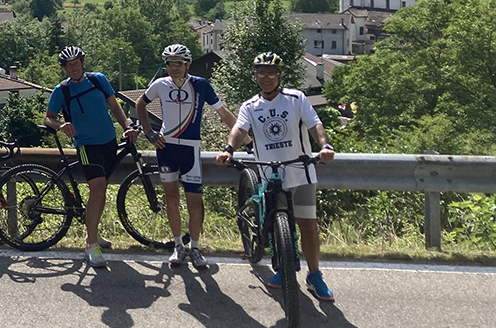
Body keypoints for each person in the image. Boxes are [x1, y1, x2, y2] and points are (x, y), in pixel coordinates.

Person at [215, 52, 336, 302]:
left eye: (272, 72)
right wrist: (229, 149)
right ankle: (282, 267)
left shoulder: (296, 99)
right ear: (255, 76)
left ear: (279, 76)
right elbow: (239, 130)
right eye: (261, 72)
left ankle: (315, 276)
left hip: (300, 172)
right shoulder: (250, 106)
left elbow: (315, 124)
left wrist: (324, 146)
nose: (266, 77)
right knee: (274, 224)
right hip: (269, 173)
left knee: (308, 226)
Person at [135, 44, 236, 270]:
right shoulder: (160, 84)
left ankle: (196, 247)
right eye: (170, 63)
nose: (174, 68)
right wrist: (150, 133)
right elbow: (140, 103)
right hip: (166, 148)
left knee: (194, 202)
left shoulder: (200, 85)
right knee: (171, 199)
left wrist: (245, 137)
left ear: (187, 64)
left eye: (178, 63)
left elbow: (222, 113)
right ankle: (178, 245)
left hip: (190, 148)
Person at [45, 46, 139, 268]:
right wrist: (61, 125)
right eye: (69, 65)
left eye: (76, 62)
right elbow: (49, 118)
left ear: (83, 63)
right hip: (86, 145)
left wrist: (127, 125)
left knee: (101, 191)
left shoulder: (98, 80)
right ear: (65, 68)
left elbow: (115, 107)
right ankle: (91, 245)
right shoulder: (62, 90)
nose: (74, 67)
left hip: (109, 141)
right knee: (97, 189)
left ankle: (91, 234)